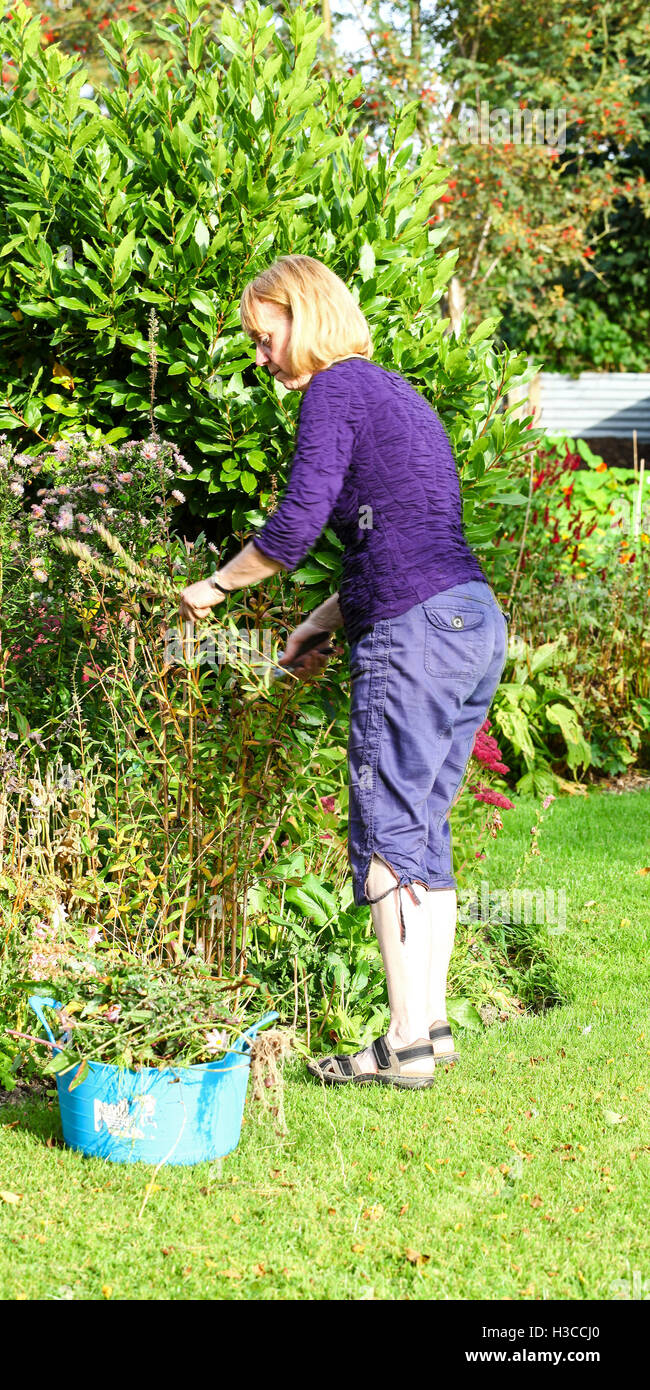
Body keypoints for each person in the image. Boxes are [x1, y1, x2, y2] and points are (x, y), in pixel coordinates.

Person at [178, 254, 508, 1090]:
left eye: (265, 335)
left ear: (305, 315)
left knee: (388, 835)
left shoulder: (333, 389)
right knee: (423, 832)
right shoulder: (399, 394)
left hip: (415, 631)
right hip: (471, 620)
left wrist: (215, 587)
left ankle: (401, 1048)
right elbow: (398, 541)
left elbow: (295, 525)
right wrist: (314, 628)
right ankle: (429, 1029)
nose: (262, 356)